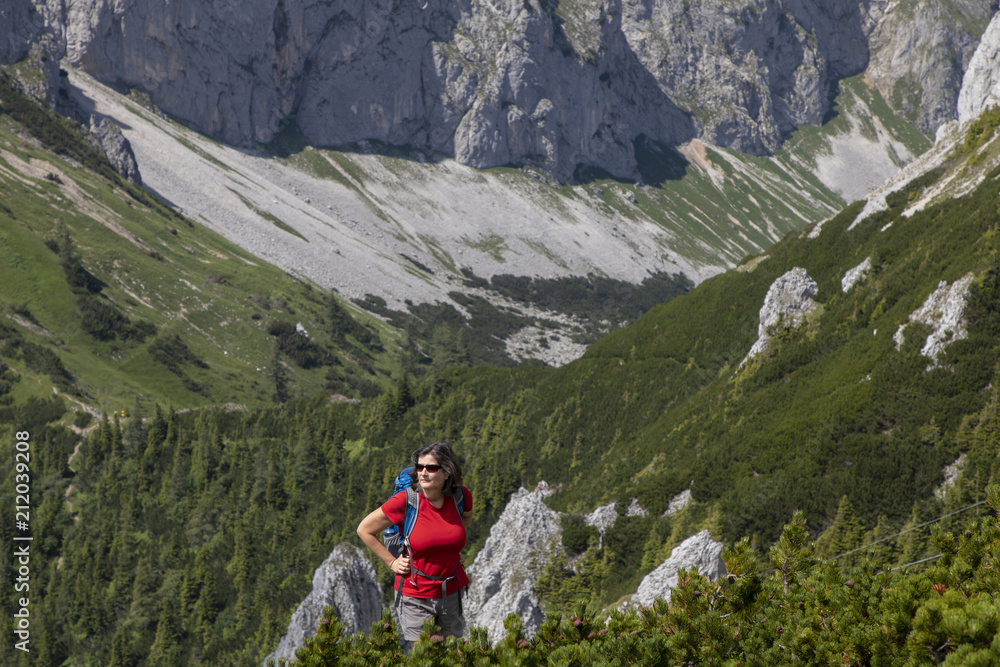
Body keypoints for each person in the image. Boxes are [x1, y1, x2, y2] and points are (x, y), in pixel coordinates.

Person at [357, 441, 473, 646]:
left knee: (453, 657)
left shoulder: (460, 497)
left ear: (447, 472)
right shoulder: (406, 501)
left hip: (451, 592)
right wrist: (392, 563)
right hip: (416, 596)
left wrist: (451, 548)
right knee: (423, 659)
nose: (424, 473)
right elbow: (364, 529)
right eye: (420, 467)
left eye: (431, 467)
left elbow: (465, 518)